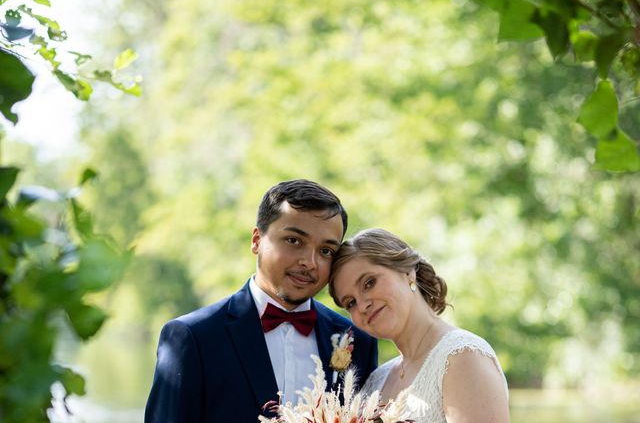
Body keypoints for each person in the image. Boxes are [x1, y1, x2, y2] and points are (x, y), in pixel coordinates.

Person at [145, 180, 378, 423]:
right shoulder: (192, 338)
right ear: (257, 240)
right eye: (294, 241)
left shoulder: (356, 341)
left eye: (326, 251)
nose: (310, 262)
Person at [329, 228, 509, 423]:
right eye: (350, 303)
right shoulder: (376, 380)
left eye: (369, 282)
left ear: (407, 272)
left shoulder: (463, 357)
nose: (362, 305)